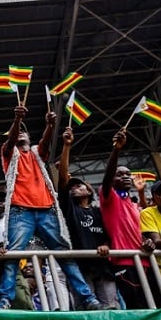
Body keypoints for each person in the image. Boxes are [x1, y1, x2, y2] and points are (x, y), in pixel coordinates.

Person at [0, 105, 104, 311]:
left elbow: (45, 145)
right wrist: (17, 120)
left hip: (46, 210)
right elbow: (10, 142)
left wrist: (50, 125)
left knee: (64, 254)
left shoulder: (37, 153)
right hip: (21, 211)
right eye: (16, 131)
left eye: (22, 131)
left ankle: (87, 298)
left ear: (29, 137)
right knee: (13, 255)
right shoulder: (9, 154)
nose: (19, 133)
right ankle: (4, 300)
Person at [58, 127, 119, 309]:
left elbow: (109, 235)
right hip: (81, 269)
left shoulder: (99, 212)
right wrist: (67, 146)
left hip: (104, 269)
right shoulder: (69, 209)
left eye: (79, 186)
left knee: (112, 308)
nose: (74, 188)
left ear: (89, 190)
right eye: (72, 187)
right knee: (87, 312)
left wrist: (106, 245)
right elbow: (62, 180)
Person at [99, 127, 160, 309]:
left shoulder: (134, 205)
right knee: (139, 308)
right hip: (125, 262)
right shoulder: (108, 197)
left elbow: (145, 230)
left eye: (128, 174)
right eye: (120, 174)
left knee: (158, 307)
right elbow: (107, 178)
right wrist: (116, 149)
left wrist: (149, 242)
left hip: (146, 261)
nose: (125, 177)